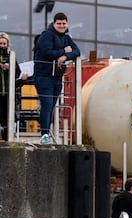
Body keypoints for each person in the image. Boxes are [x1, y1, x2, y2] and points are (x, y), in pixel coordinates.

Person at [32, 12, 80, 145]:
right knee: (47, 104)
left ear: (67, 24)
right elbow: (46, 52)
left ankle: (47, 133)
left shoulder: (66, 37)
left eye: (64, 23)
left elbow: (77, 51)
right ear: (54, 23)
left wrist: (65, 57)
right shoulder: (46, 35)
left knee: (52, 105)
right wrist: (64, 51)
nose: (62, 26)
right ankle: (44, 134)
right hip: (43, 76)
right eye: (59, 23)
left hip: (57, 77)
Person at [0, 32, 27, 141]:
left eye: (4, 44)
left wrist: (9, 68)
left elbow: (17, 73)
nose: (2, 46)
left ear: (8, 44)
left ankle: (7, 139)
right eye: (0, 43)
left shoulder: (11, 56)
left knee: (7, 118)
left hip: (8, 94)